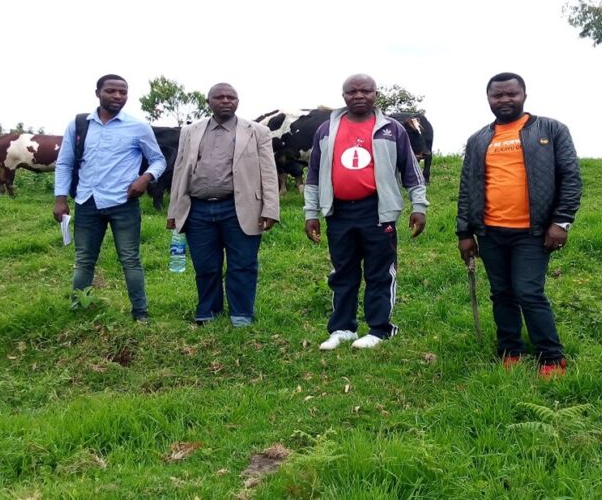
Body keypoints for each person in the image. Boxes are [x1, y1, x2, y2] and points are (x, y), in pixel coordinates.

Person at [456, 72, 582, 378]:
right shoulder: (479, 139)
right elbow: (467, 187)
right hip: (490, 231)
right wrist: (464, 232)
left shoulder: (550, 130)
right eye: (497, 95)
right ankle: (510, 349)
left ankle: (551, 356)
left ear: (524, 95)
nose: (504, 100)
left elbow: (570, 178)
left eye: (511, 94)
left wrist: (561, 222)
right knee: (501, 293)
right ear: (488, 99)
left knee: (528, 291)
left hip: (533, 231)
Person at [304, 73, 428, 350]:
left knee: (379, 271)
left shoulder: (392, 129)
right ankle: (343, 328)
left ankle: (380, 329)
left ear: (376, 94)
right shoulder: (325, 130)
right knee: (342, 272)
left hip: (377, 211)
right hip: (338, 212)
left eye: (365, 91)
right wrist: (310, 212)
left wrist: (418, 206)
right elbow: (313, 174)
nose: (358, 96)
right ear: (343, 95)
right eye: (352, 91)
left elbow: (411, 170)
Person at [53, 74, 167, 322]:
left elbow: (159, 160)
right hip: (86, 202)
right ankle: (79, 309)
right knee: (84, 260)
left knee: (130, 259)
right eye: (111, 91)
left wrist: (144, 178)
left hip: (123, 203)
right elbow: (64, 163)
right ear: (98, 93)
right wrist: (60, 199)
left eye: (123, 92)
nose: (118, 96)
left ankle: (140, 312)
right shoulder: (79, 124)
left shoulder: (138, 127)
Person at [166, 83, 279, 328]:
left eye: (231, 97)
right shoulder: (190, 131)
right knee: (205, 265)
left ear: (238, 101)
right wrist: (174, 210)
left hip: (241, 207)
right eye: (220, 97)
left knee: (243, 264)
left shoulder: (257, 131)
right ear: (209, 102)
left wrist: (270, 208)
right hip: (198, 209)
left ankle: (241, 315)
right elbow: (180, 170)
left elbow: (269, 172)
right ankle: (208, 312)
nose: (226, 101)